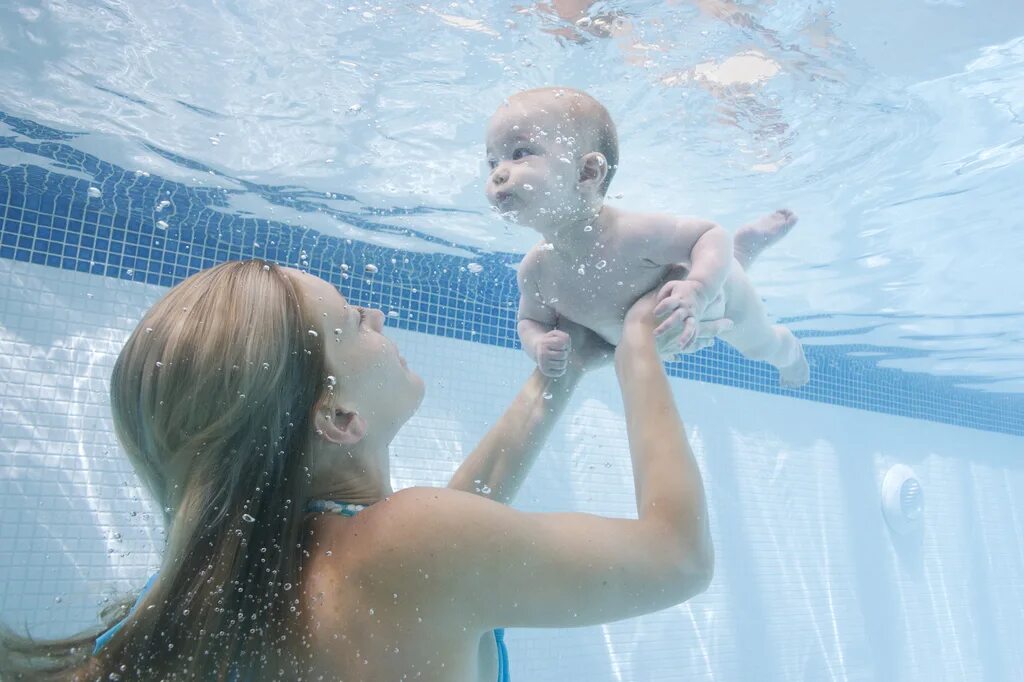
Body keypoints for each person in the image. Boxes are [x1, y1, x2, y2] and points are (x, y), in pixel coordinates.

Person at [1, 258, 713, 681]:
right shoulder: (404, 549)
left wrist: (552, 383)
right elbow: (677, 557)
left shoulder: (229, 582)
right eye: (350, 323)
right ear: (339, 418)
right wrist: (639, 345)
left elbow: (443, 565)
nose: (375, 313)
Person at [486, 86, 809, 387]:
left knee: (760, 344)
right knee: (727, 267)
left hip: (725, 296)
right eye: (492, 161)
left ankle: (789, 352)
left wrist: (698, 289)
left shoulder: (631, 234)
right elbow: (530, 321)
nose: (498, 172)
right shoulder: (535, 272)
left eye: (519, 153)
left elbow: (710, 234)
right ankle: (742, 253)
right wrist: (539, 344)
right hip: (658, 333)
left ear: (587, 173)